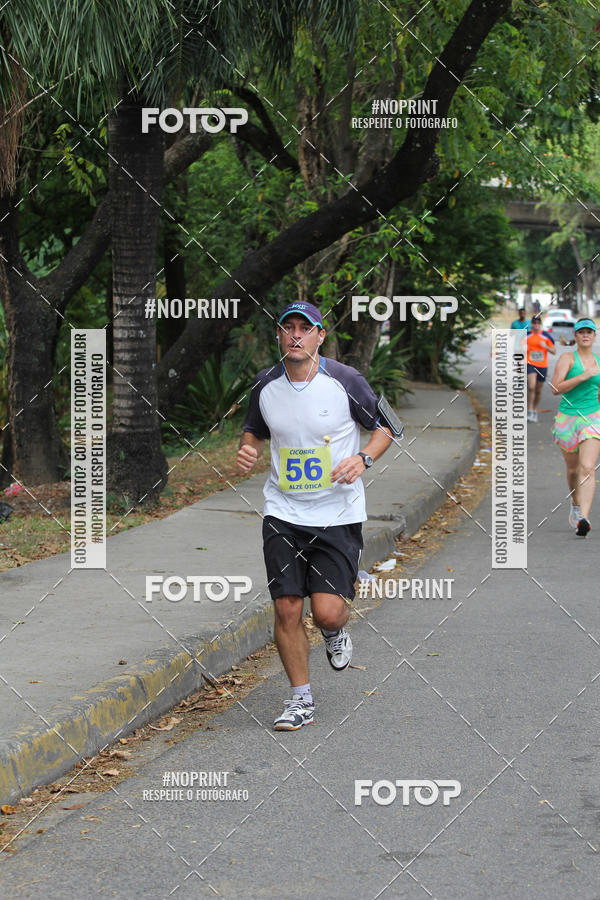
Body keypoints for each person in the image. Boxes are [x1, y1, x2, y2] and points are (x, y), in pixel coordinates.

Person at [237, 301, 393, 730]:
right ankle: (300, 700)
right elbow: (254, 428)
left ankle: (334, 630)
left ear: (320, 336)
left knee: (325, 612)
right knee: (286, 608)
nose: (296, 336)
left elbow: (387, 426)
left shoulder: (345, 380)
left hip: (336, 513)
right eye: (287, 328)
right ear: (279, 336)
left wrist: (363, 458)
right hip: (283, 510)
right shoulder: (266, 383)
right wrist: (249, 446)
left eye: (305, 329)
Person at [551, 318, 600, 537]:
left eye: (590, 332)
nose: (586, 335)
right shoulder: (568, 358)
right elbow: (555, 388)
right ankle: (575, 503)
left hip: (592, 418)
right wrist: (583, 376)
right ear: (576, 336)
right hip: (568, 419)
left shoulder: (599, 361)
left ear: (595, 336)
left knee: (588, 467)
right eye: (582, 332)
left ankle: (584, 518)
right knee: (572, 470)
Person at [526, 314, 555, 422]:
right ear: (532, 324)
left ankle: (534, 409)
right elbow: (517, 349)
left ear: (540, 324)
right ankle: (529, 410)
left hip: (542, 365)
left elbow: (554, 351)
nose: (536, 325)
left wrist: (546, 346)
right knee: (531, 387)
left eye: (538, 323)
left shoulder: (546, 336)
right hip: (530, 364)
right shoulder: (527, 335)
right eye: (534, 323)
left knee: (538, 390)